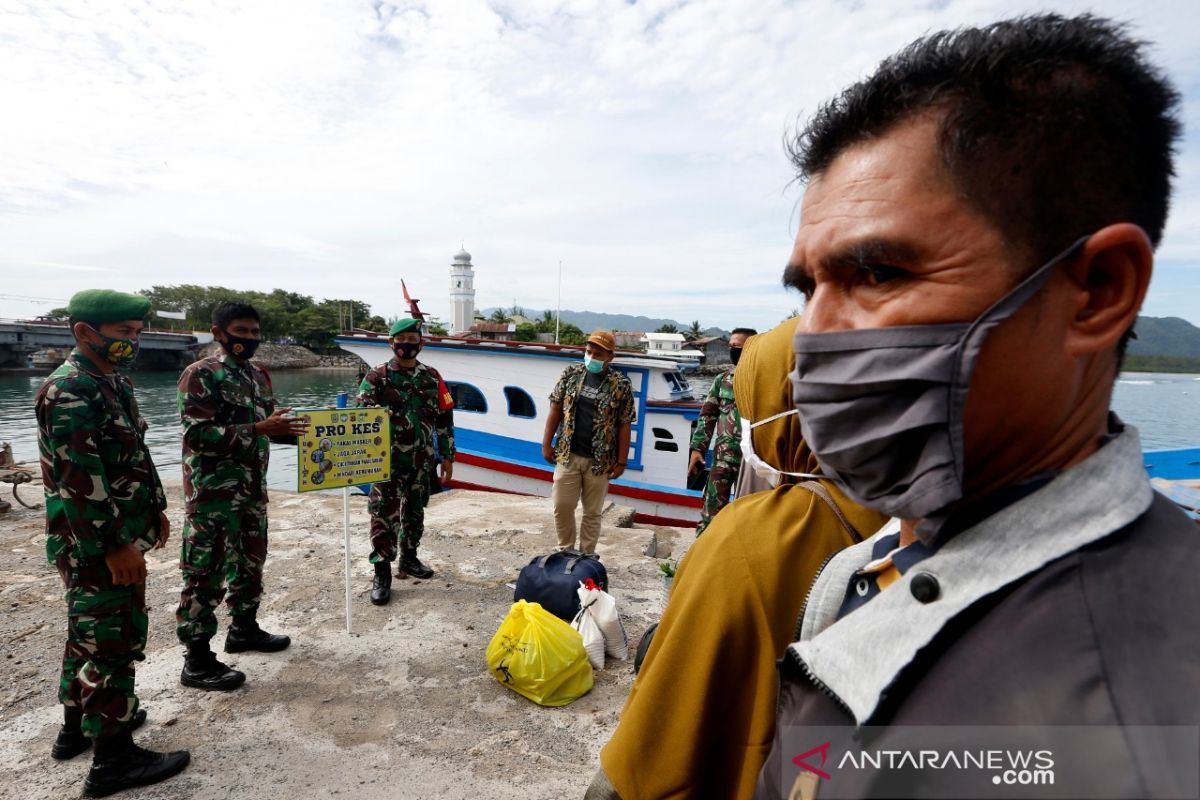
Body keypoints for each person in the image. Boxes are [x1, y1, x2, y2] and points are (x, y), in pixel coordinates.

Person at [755, 15, 1197, 799]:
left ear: (1098, 293)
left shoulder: (1130, 742)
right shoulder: (874, 567)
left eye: (879, 273)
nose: (808, 342)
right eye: (805, 288)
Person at [585, 320, 888, 800]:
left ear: (788, 411)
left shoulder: (752, 536)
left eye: (755, 408)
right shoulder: (917, 515)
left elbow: (654, 744)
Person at [35, 289, 190, 796]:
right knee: (112, 644)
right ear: (84, 332)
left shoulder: (111, 382)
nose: (134, 341)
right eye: (125, 333)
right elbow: (79, 477)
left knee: (87, 636)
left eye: (137, 332)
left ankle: (75, 729)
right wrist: (113, 546)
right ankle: (113, 760)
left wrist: (156, 513)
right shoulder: (71, 391)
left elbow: (131, 458)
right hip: (97, 544)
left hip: (121, 531)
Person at [176, 301, 309, 691]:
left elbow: (268, 428)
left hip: (251, 491)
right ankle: (197, 660)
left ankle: (244, 630)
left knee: (251, 564)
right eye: (241, 331)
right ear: (219, 332)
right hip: (213, 496)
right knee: (205, 574)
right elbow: (197, 436)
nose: (249, 339)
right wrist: (260, 426)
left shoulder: (258, 375)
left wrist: (308, 433)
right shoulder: (200, 375)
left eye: (254, 332)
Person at [357, 317, 455, 605]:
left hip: (421, 461)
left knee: (414, 512)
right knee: (383, 516)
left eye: (413, 341)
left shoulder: (432, 377)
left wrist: (447, 456)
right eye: (402, 341)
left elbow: (445, 419)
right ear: (391, 343)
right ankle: (382, 572)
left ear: (421, 343)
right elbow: (359, 418)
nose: (407, 346)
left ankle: (409, 559)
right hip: (386, 462)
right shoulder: (378, 377)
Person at [541, 330, 635, 554]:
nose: (591, 357)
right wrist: (546, 443)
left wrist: (621, 462)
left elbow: (624, 424)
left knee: (592, 512)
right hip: (568, 455)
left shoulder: (620, 384)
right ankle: (565, 550)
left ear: (610, 356)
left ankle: (586, 556)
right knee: (562, 506)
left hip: (599, 461)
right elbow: (555, 408)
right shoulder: (571, 373)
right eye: (589, 351)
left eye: (598, 354)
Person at [688, 326, 757, 534]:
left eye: (738, 346)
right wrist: (697, 449)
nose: (733, 350)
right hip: (723, 457)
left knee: (750, 514)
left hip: (754, 461)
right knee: (711, 513)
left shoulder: (764, 381)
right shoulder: (723, 380)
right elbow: (708, 416)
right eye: (731, 346)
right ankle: (703, 555)